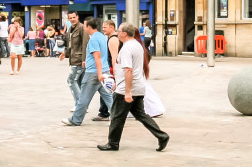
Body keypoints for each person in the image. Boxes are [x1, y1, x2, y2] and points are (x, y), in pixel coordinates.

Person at [97, 23, 170, 152]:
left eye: (119, 31)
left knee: (116, 116)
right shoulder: (136, 45)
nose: (117, 33)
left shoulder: (126, 48)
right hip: (137, 86)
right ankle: (162, 136)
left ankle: (113, 143)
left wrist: (127, 92)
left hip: (128, 88)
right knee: (141, 115)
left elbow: (128, 70)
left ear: (124, 33)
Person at [62, 17, 114, 126]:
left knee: (84, 98)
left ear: (89, 27)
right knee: (109, 97)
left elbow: (97, 57)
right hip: (104, 71)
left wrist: (99, 74)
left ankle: (75, 120)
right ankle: (117, 118)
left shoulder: (94, 39)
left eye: (85, 25)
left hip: (94, 73)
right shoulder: (101, 36)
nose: (83, 27)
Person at [59, 11, 85, 109]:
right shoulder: (70, 28)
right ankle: (82, 106)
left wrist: (84, 59)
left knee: (71, 80)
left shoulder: (82, 28)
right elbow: (71, 45)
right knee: (78, 83)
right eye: (70, 18)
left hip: (79, 60)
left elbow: (85, 44)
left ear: (77, 17)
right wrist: (65, 54)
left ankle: (79, 106)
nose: (72, 19)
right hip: (73, 59)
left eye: (74, 17)